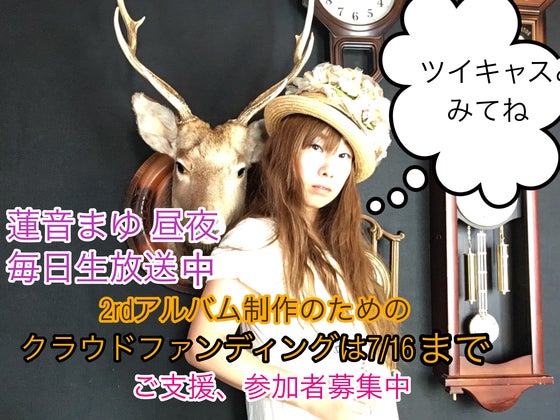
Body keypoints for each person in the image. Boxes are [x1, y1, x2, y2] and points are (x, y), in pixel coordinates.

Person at [186, 62, 399, 419]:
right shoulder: (256, 238)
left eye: (343, 155)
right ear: (285, 151)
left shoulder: (346, 251)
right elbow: (205, 347)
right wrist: (315, 399)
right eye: (316, 147)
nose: (329, 169)